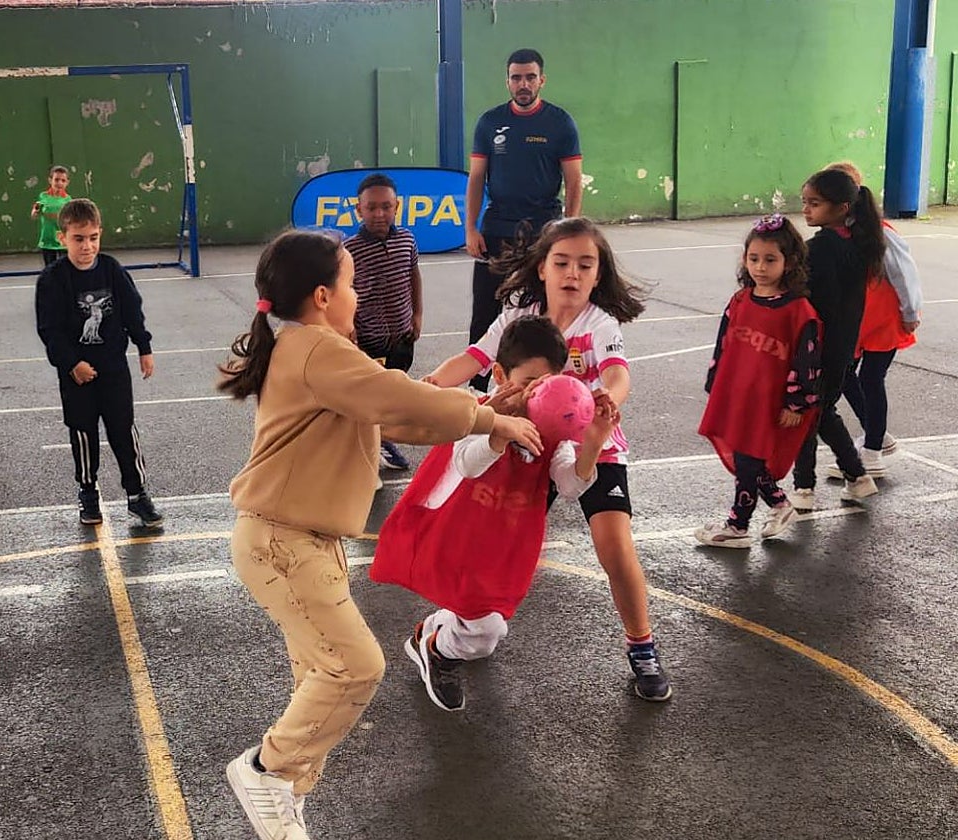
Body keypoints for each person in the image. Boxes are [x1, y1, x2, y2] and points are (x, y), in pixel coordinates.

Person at [218, 228, 541, 840]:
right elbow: (398, 401)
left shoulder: (314, 349)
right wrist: (487, 414)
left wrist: (483, 408)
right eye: (351, 283)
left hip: (302, 543)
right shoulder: (316, 347)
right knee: (356, 667)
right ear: (321, 295)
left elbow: (401, 414)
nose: (358, 295)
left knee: (318, 676)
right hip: (284, 543)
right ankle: (265, 769)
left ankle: (287, 796)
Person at [425, 217, 671, 702]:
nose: (572, 273)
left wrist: (608, 401)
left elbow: (619, 375)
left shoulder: (600, 323)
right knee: (485, 538)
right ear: (542, 268)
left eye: (585, 264)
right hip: (521, 440)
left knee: (614, 546)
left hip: (588, 443)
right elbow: (474, 358)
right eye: (562, 262)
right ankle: (455, 630)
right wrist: (426, 389)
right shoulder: (519, 316)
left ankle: (641, 647)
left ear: (598, 275)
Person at [371, 316, 618, 711]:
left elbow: (571, 486)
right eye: (527, 381)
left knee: (480, 625)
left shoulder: (553, 433)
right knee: (486, 632)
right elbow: (467, 463)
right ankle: (438, 652)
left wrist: (593, 442)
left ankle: (432, 632)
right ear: (500, 375)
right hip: (458, 534)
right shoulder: (477, 411)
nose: (536, 392)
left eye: (547, 383)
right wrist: (499, 432)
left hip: (501, 547)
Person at [34, 198, 163, 530]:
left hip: (114, 369)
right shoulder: (52, 279)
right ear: (62, 238)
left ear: (100, 234)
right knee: (83, 433)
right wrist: (72, 364)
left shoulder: (112, 269)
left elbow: (132, 310)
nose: (87, 246)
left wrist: (143, 346)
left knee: (123, 430)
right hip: (76, 375)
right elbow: (50, 330)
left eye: (93, 237)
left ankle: (137, 494)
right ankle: (88, 491)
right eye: (79, 239)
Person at [694, 215, 822, 549]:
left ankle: (738, 525)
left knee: (749, 457)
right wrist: (714, 381)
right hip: (737, 394)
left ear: (789, 262)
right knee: (746, 455)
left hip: (768, 400)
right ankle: (780, 504)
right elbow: (723, 344)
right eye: (753, 259)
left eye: (770, 260)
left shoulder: (799, 311)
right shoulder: (740, 301)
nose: (760, 267)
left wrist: (797, 403)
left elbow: (807, 361)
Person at [465, 47, 583, 391]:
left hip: (544, 233)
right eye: (516, 77)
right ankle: (478, 385)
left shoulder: (560, 123)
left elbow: (574, 181)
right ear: (508, 82)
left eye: (530, 77)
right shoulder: (489, 122)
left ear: (541, 80)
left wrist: (568, 233)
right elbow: (476, 179)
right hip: (497, 229)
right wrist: (470, 227)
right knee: (485, 312)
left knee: (542, 313)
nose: (523, 83)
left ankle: (547, 384)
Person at [790, 169, 886, 510]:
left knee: (806, 414)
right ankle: (856, 477)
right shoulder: (858, 244)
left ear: (843, 207)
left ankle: (804, 488)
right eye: (805, 202)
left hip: (820, 349)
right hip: (841, 347)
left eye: (815, 204)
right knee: (821, 412)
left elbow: (808, 301)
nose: (806, 210)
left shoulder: (820, 250)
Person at [823, 161, 922, 479]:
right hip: (856, 320)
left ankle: (872, 453)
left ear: (844, 200)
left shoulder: (879, 233)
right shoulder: (838, 233)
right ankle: (877, 434)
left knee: (870, 379)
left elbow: (904, 273)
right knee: (845, 374)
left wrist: (910, 312)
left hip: (882, 318)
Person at [343, 172, 423, 471]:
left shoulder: (407, 240)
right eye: (372, 207)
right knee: (371, 400)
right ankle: (375, 447)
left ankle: (379, 438)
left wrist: (417, 315)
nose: (380, 214)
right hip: (368, 342)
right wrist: (349, 334)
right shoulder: (349, 251)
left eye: (386, 206)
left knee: (393, 396)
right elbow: (343, 295)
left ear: (396, 207)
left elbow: (413, 276)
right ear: (358, 209)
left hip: (403, 338)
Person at [32, 165, 73, 267]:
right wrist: (35, 212)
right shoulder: (43, 196)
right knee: (50, 268)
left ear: (67, 182)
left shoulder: (68, 199)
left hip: (63, 240)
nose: (59, 183)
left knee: (65, 267)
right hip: (48, 239)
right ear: (50, 180)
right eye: (56, 180)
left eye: (63, 180)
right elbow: (36, 209)